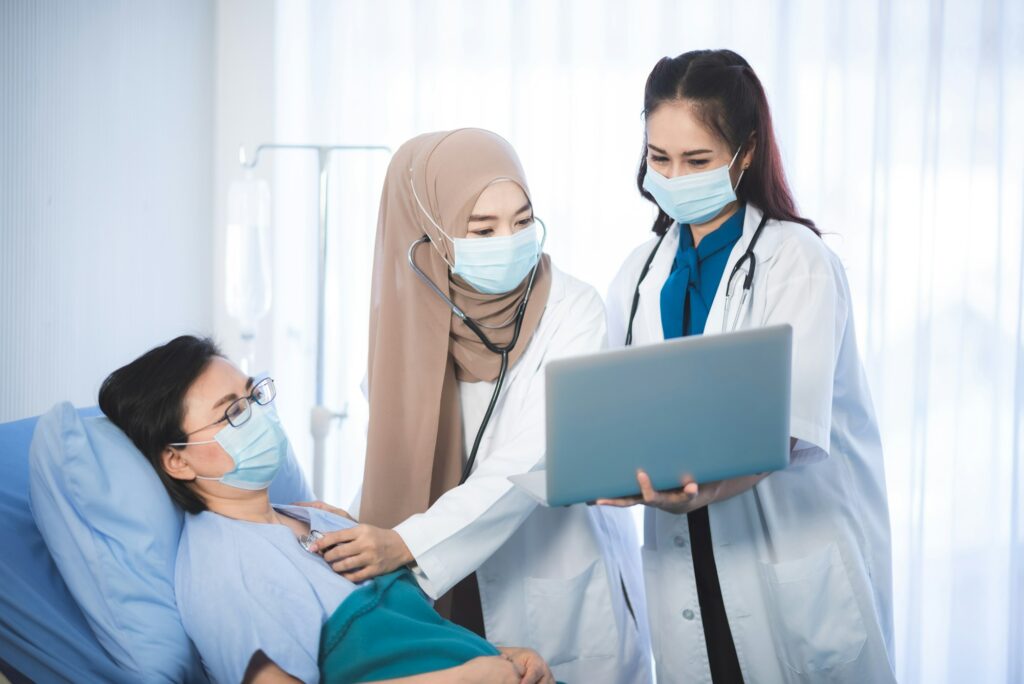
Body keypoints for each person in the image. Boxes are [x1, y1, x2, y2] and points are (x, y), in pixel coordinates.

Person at [312, 129, 651, 684]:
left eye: (522, 221)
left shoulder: (574, 310)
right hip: (433, 589)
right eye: (483, 228)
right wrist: (353, 526)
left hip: (541, 584)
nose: (511, 240)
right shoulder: (406, 321)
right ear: (433, 234)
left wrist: (404, 541)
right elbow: (397, 450)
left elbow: (528, 460)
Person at [600, 50, 895, 683]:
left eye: (697, 160)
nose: (675, 177)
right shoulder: (638, 274)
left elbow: (784, 429)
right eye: (660, 159)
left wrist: (697, 493)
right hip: (685, 566)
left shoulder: (799, 263)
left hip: (790, 560)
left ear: (747, 152)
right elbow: (618, 407)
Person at [98, 335, 555, 684]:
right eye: (232, 412)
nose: (257, 415)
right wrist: (467, 678)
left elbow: (415, 637)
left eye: (253, 395)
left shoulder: (316, 518)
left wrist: (502, 656)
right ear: (177, 459)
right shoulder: (222, 568)